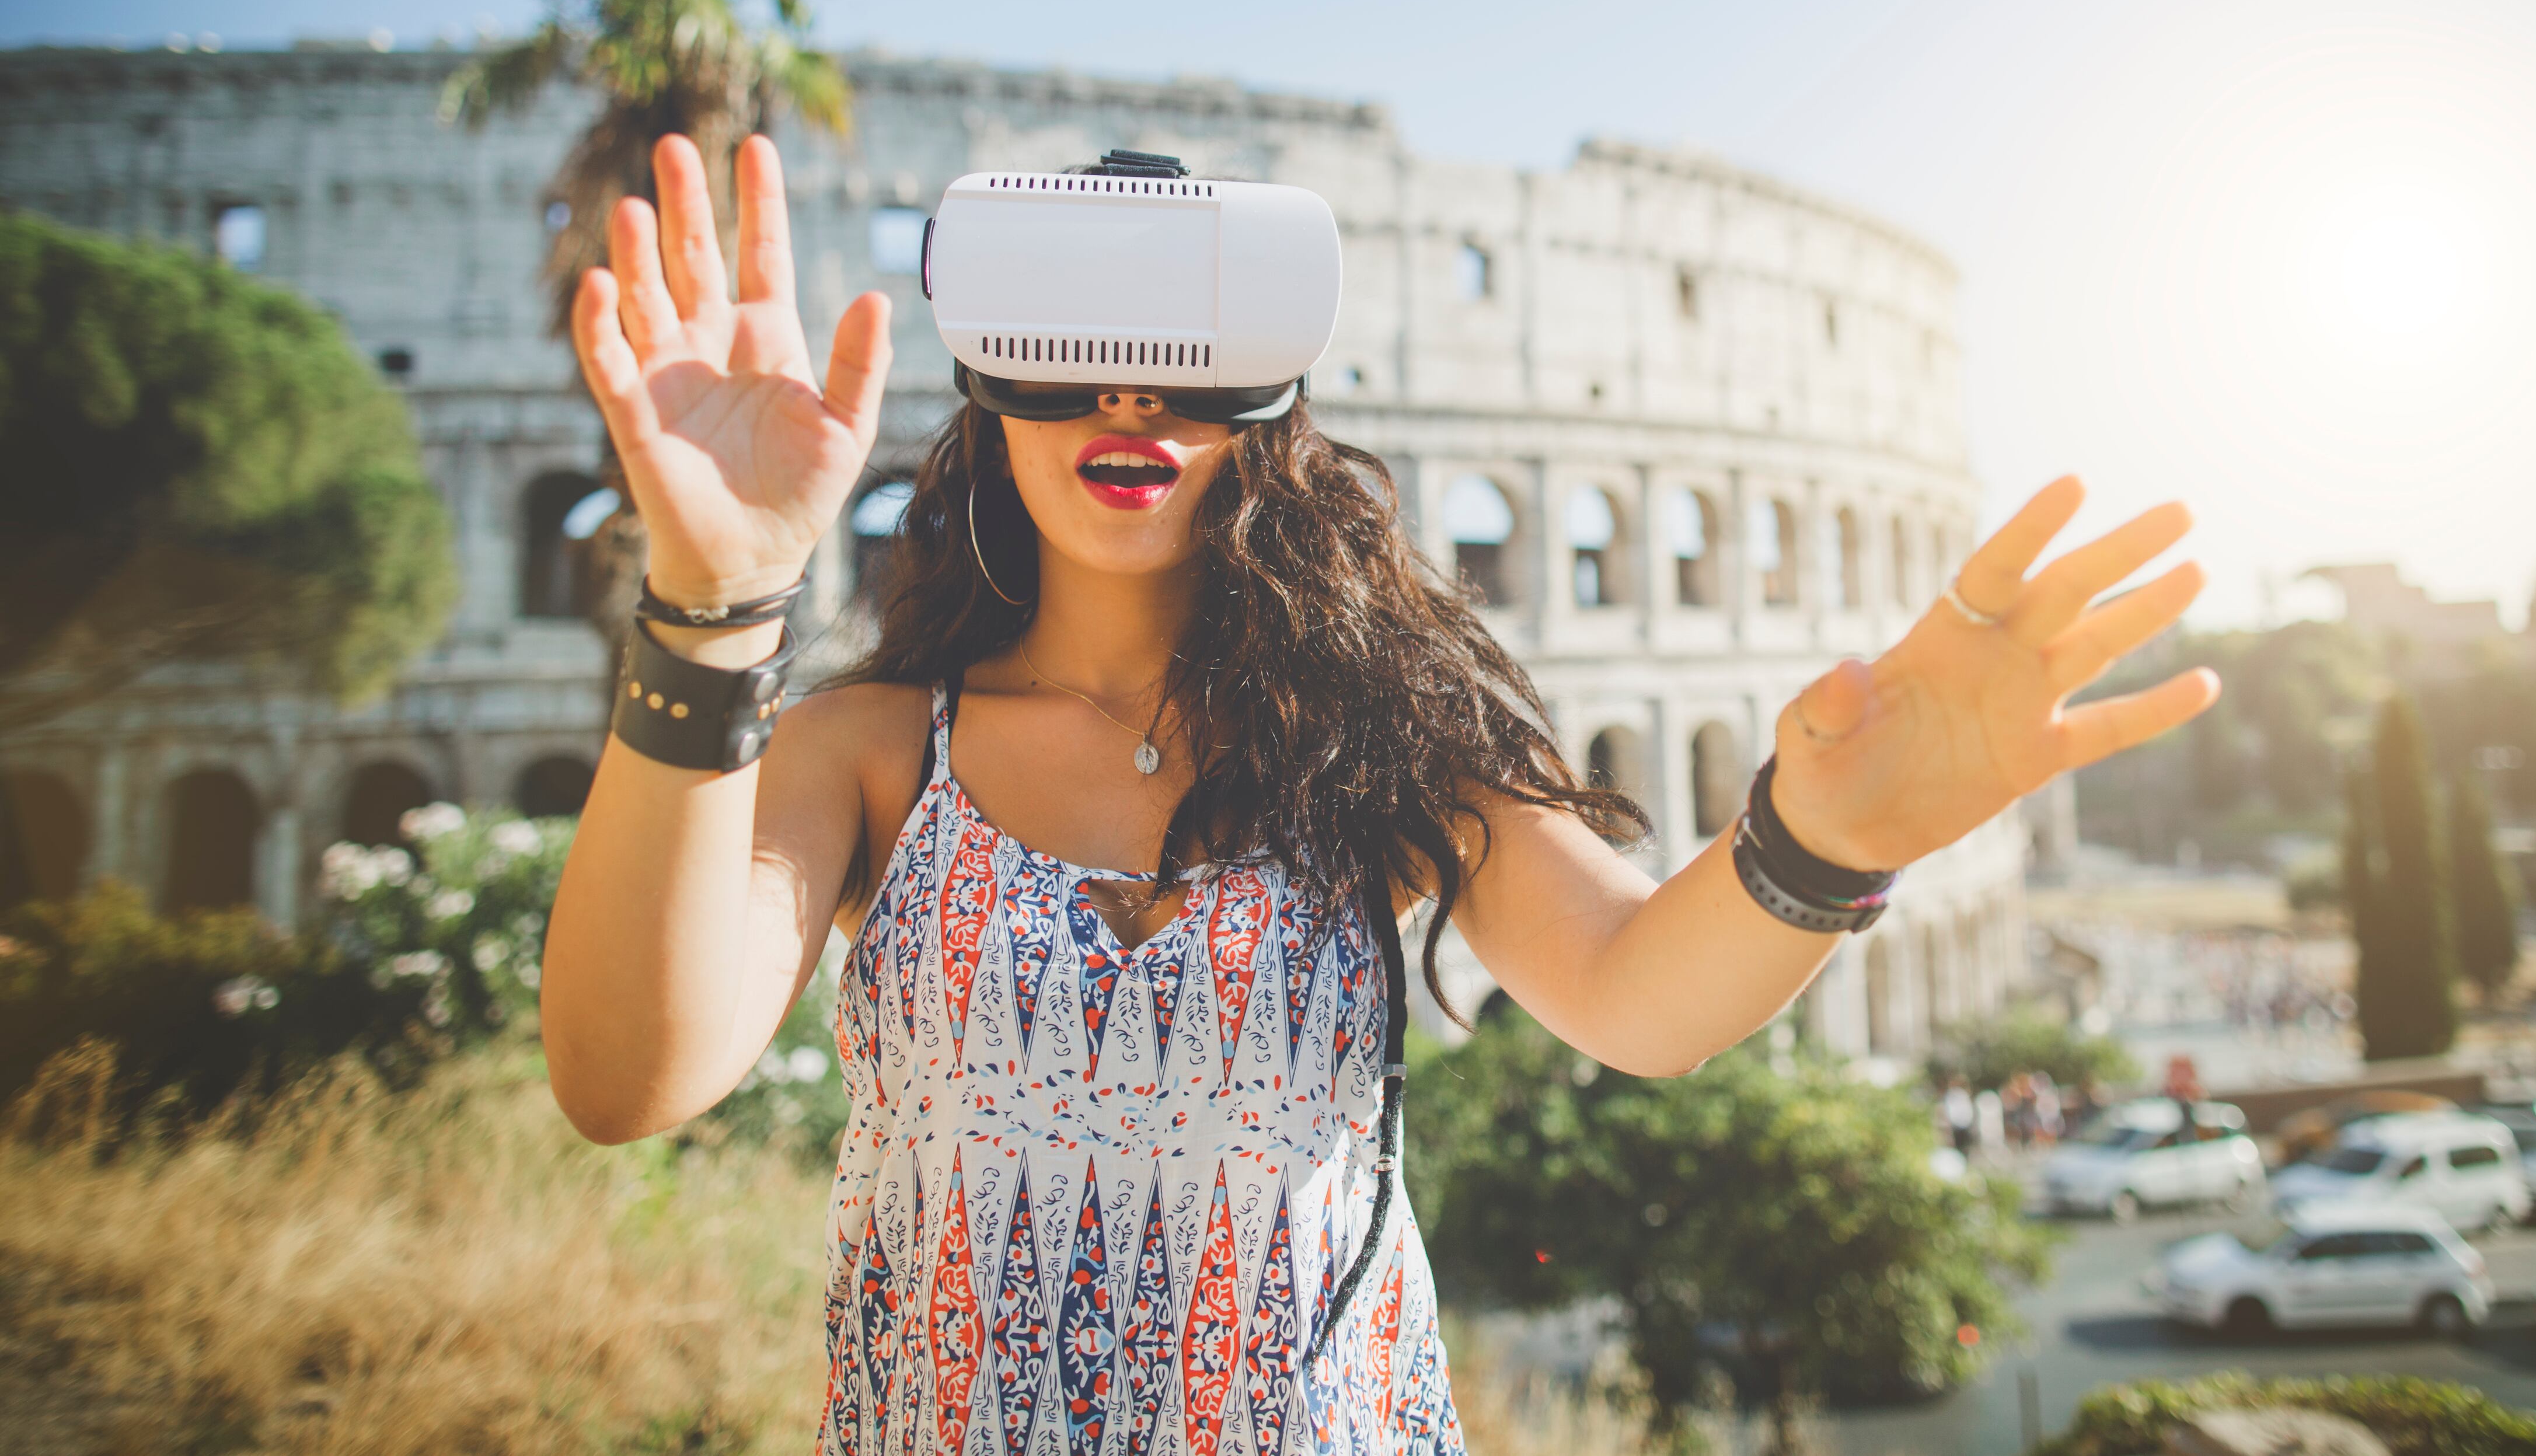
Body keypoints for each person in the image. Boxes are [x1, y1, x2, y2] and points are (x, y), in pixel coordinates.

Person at [538, 136, 2218, 1456]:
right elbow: (629, 1075)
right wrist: (714, 603)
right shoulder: (871, 752)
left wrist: (1824, 842)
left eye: (1195, 359)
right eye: (1066, 353)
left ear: (1276, 400)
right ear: (986, 390)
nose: (1130, 402)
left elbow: (1639, 998)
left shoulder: (1376, 744)